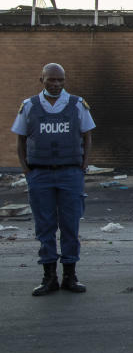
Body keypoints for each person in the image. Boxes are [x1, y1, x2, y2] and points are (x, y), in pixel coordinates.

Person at [11, 63, 95, 296]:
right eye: (51, 80)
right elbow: (20, 140)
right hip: (40, 174)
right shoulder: (29, 106)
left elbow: (87, 136)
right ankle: (49, 278)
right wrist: (26, 170)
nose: (56, 84)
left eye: (60, 80)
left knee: (70, 224)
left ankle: (70, 276)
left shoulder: (77, 104)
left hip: (70, 173)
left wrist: (83, 166)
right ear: (42, 80)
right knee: (44, 227)